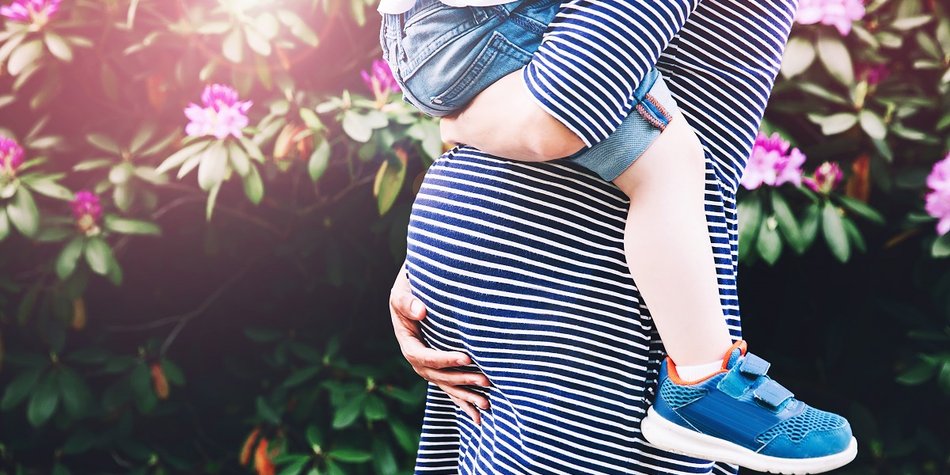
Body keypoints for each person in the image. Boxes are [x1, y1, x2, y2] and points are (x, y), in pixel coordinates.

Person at [381, 0, 858, 472]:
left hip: (532, 280)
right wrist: (457, 127)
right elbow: (555, 114)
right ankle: (702, 382)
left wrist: (435, 254)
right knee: (670, 161)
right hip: (579, 294)